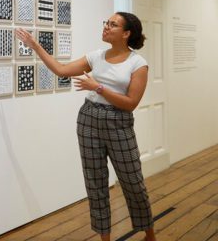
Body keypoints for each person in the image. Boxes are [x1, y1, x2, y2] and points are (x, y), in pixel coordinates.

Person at [15, 12, 156, 241]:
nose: (106, 27)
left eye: (113, 24)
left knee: (133, 181)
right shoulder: (96, 56)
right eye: (106, 23)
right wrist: (35, 46)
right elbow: (61, 70)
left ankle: (149, 234)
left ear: (126, 33)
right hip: (89, 118)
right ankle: (105, 238)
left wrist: (98, 87)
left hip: (118, 122)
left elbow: (131, 103)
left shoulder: (137, 63)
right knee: (95, 182)